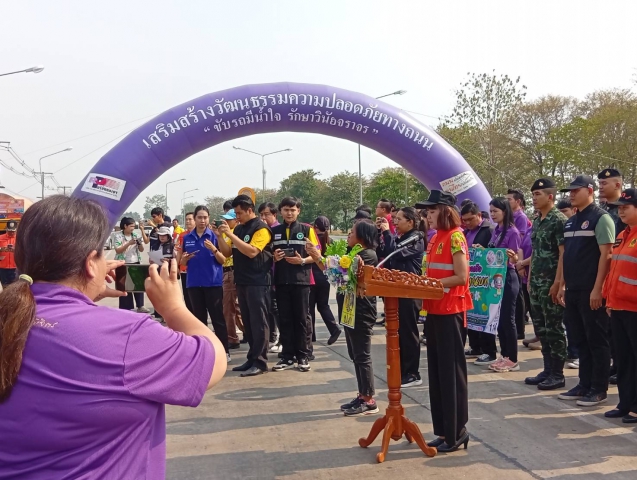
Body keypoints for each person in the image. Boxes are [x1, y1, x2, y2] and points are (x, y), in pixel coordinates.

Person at [0, 196, 226, 479]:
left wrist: (83, 292)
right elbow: (214, 360)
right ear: (90, 264)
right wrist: (173, 308)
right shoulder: (127, 335)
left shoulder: (9, 316)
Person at [418, 190, 471, 452]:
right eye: (427, 212)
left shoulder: (455, 237)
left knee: (451, 374)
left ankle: (457, 431)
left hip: (450, 311)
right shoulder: (434, 237)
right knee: (437, 375)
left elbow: (461, 276)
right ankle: (443, 430)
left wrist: (431, 284)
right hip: (434, 310)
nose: (427, 216)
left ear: (446, 211)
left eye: (432, 211)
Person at [557, 175, 614, 407]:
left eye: (575, 190)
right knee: (579, 339)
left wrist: (598, 288)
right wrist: (562, 284)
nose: (571, 194)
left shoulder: (601, 218)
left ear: (589, 191)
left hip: (592, 290)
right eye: (569, 191)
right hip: (573, 290)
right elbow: (566, 256)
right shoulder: (571, 221)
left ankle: (599, 388)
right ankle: (584, 384)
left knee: (596, 340)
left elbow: (606, 255)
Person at [315, 220, 380, 416]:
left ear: (363, 236)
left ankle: (369, 399)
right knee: (355, 354)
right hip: (350, 310)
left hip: (361, 311)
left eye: (352, 232)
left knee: (362, 355)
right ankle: (362, 394)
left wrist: (318, 258)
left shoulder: (367, 255)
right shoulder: (354, 253)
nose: (349, 235)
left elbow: (341, 271)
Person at [519, 179, 568, 390]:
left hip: (551, 283)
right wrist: (530, 279)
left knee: (554, 328)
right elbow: (537, 253)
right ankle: (547, 369)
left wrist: (558, 282)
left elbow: (563, 254)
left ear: (550, 196)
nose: (534, 198)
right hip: (537, 283)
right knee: (541, 329)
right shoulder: (538, 220)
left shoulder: (559, 220)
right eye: (533, 195)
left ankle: (557, 373)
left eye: (538, 194)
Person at [216, 195, 273, 377]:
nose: (237, 217)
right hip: (242, 280)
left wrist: (230, 234)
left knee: (259, 322)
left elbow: (252, 252)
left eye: (239, 213)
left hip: (258, 281)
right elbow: (227, 253)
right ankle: (252, 358)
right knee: (248, 322)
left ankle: (260, 362)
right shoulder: (239, 229)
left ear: (250, 210)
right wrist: (220, 236)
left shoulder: (261, 228)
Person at [270, 197, 319, 373]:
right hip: (281, 281)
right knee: (285, 319)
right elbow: (267, 254)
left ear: (298, 211)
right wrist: (274, 257)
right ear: (281, 211)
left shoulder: (307, 229)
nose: (289, 213)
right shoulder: (274, 231)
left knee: (301, 319)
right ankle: (287, 356)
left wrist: (302, 261)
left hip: (301, 281)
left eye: (293, 210)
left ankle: (303, 356)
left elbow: (317, 255)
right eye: (286, 210)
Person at [378, 207, 425, 388]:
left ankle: (413, 373)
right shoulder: (402, 237)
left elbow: (395, 252)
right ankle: (402, 370)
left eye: (398, 219)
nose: (395, 222)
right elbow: (386, 255)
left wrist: (387, 232)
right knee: (398, 332)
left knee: (408, 332)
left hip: (409, 292)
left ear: (410, 222)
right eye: (394, 219)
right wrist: (381, 234)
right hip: (396, 290)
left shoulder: (416, 238)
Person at [602, 188, 637, 422]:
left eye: (626, 207)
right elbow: (614, 270)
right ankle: (625, 403)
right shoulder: (624, 235)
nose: (621, 212)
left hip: (634, 309)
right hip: (618, 307)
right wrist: (609, 298)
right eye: (620, 208)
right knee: (623, 360)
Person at [180, 206, 230, 362]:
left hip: (212, 283)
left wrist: (214, 249)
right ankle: (203, 352)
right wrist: (184, 259)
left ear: (208, 218)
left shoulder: (214, 235)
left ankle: (224, 351)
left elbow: (223, 260)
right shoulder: (187, 238)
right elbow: (182, 261)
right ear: (194, 219)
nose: (202, 220)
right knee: (199, 320)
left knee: (217, 319)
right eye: (199, 217)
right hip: (194, 284)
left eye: (205, 217)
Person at [487, 197, 521, 373]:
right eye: (491, 211)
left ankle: (512, 358)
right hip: (496, 277)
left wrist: (513, 257)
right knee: (499, 319)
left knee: (508, 319)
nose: (492, 214)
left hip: (508, 277)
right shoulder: (497, 230)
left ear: (505, 212)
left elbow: (515, 259)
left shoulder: (512, 231)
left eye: (495, 211)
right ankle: (504, 355)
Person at [460, 202, 497, 362]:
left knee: (485, 315)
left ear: (479, 215)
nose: (467, 223)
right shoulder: (465, 232)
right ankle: (475, 346)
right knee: (472, 314)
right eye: (465, 220)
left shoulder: (489, 230)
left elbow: (495, 254)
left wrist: (483, 251)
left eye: (470, 219)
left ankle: (489, 350)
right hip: (471, 279)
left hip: (485, 279)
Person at [309, 216, 342, 347]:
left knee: (309, 308)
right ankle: (334, 329)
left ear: (315, 227)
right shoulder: (330, 241)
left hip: (312, 276)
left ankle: (310, 336)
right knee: (323, 305)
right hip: (325, 277)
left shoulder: (312, 240)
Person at [219, 209, 244, 350]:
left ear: (236, 220)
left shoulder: (236, 233)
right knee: (235, 307)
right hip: (225, 271)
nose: (226, 222)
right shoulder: (225, 233)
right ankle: (247, 331)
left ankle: (232, 338)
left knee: (228, 307)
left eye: (229, 220)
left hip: (232, 270)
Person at [258, 201, 281, 351]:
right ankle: (273, 337)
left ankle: (283, 340)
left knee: (277, 309)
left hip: (279, 275)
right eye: (261, 214)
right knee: (270, 309)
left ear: (274, 214)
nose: (263, 217)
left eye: (266, 214)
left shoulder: (277, 231)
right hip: (266, 276)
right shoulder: (262, 231)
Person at [114, 217, 149, 313]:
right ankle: (126, 308)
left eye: (134, 226)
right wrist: (129, 243)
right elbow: (118, 250)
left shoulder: (136, 235)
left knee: (138, 285)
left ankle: (140, 306)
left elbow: (141, 250)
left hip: (136, 262)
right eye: (131, 226)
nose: (133, 228)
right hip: (123, 263)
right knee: (124, 286)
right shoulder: (118, 236)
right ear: (125, 226)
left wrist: (139, 244)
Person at [174, 211, 195, 312]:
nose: (188, 221)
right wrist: (176, 267)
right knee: (187, 295)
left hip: (197, 269)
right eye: (186, 219)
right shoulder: (182, 235)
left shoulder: (201, 234)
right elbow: (179, 252)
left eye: (190, 219)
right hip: (184, 269)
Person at [598, 168, 626, 236]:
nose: (600, 187)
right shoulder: (599, 209)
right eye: (599, 183)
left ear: (617, 185)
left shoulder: (626, 208)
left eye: (604, 183)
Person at [0, 220, 18, 287]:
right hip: (3, 268)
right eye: (10, 231)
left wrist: (16, 250)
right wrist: (1, 249)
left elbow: (25, 251)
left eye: (13, 231)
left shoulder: (19, 238)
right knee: (5, 286)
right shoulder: (0, 238)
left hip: (15, 267)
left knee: (15, 287)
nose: (12, 233)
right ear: (6, 229)